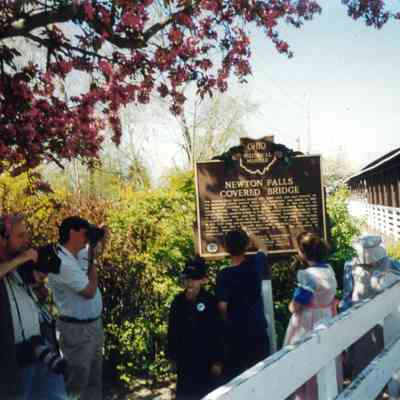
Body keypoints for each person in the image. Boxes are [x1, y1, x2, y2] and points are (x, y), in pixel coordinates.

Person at [0, 213, 66, 400]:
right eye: (20, 235)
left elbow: (33, 291)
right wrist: (20, 260)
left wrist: (40, 277)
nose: (25, 240)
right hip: (14, 358)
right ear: (3, 237)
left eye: (26, 234)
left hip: (40, 346)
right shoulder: (13, 261)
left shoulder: (16, 262)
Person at [48, 216, 106, 400]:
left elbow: (96, 252)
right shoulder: (62, 262)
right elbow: (89, 291)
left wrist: (100, 237)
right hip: (76, 331)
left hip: (93, 326)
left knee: (94, 382)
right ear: (72, 233)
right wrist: (93, 261)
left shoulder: (78, 253)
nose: (87, 238)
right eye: (85, 234)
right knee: (77, 385)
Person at [284, 232, 341, 400]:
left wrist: (291, 306)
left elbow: (296, 306)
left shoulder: (307, 275)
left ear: (303, 253)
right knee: (326, 358)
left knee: (304, 359)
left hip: (308, 321)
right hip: (327, 317)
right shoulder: (329, 270)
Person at [340, 234, 400, 379]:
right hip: (378, 317)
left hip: (364, 316)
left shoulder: (350, 266)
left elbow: (347, 295)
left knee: (366, 356)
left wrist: (344, 314)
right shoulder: (391, 264)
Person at [216, 229, 270, 380]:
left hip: (236, 334)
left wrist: (227, 325)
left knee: (237, 378)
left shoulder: (224, 275)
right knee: (261, 375)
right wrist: (250, 234)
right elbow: (263, 247)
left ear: (226, 248)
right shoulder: (255, 264)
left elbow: (222, 307)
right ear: (247, 246)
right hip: (257, 330)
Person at [167, 257, 224, 400]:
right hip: (185, 361)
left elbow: (218, 332)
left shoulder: (210, 301)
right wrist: (172, 357)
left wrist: (218, 360)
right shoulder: (178, 301)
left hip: (206, 361)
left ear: (203, 280)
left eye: (195, 279)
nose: (190, 282)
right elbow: (172, 331)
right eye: (187, 278)